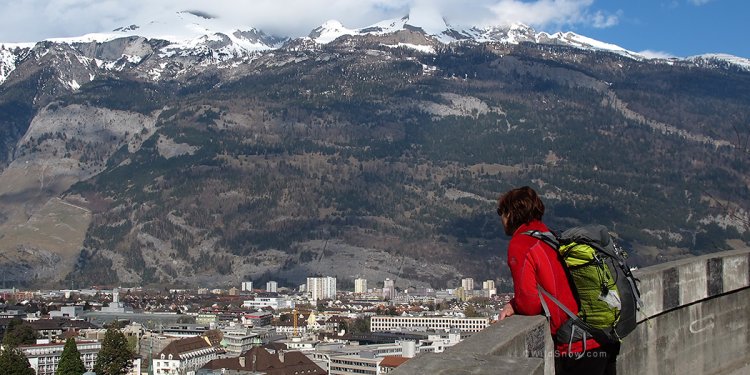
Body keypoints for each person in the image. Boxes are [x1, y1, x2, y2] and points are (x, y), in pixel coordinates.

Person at [496, 186, 618, 374]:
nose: (501, 220)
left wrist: (514, 304)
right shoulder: (548, 235)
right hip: (601, 336)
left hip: (577, 346)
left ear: (511, 213)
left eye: (502, 213)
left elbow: (530, 304)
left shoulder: (520, 244)